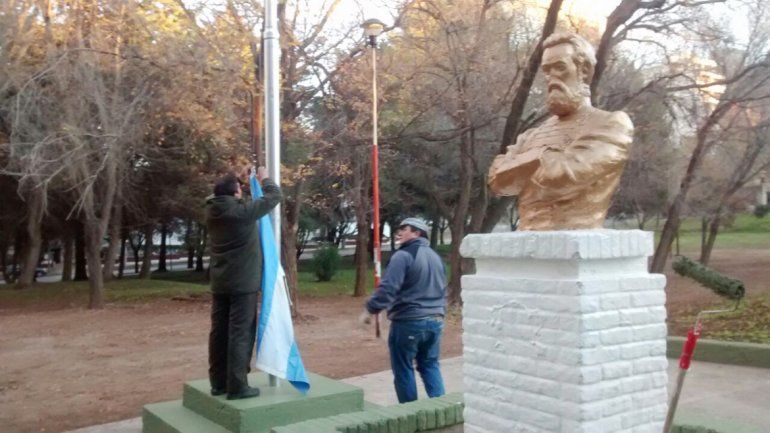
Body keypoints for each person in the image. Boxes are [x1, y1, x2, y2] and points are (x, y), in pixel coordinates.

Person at [488, 32, 634, 230]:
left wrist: (523, 163)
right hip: (527, 235)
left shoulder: (610, 124)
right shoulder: (531, 135)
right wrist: (542, 158)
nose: (551, 77)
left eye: (560, 67)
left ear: (584, 70)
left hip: (577, 232)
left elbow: (564, 175)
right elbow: (496, 179)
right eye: (547, 70)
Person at [205, 166, 281, 400]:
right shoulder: (241, 213)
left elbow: (222, 197)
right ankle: (237, 386)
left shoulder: (212, 210)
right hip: (243, 283)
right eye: (239, 189)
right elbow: (274, 196)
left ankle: (218, 383)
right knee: (241, 333)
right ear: (235, 192)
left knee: (219, 332)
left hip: (220, 282)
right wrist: (264, 179)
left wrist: (240, 183)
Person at [361, 217, 447, 403]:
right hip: (436, 320)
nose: (399, 232)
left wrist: (370, 309)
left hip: (409, 321)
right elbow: (442, 288)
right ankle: (442, 407)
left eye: (404, 229)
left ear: (417, 233)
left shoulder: (403, 255)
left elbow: (388, 288)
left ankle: (409, 412)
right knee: (430, 364)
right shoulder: (435, 257)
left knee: (403, 368)